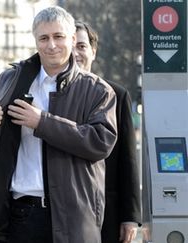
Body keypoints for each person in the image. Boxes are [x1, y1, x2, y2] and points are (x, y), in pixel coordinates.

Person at [0, 6, 118, 243]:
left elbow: (100, 142)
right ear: (35, 41)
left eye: (58, 37)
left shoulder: (98, 90)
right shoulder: (10, 79)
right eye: (44, 38)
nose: (51, 45)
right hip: (20, 213)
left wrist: (42, 122)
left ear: (73, 39)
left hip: (72, 216)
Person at [74, 20, 141, 243]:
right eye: (71, 45)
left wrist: (130, 216)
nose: (76, 53)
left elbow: (128, 159)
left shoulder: (117, 95)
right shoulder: (48, 97)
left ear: (93, 51)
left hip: (108, 213)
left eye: (81, 46)